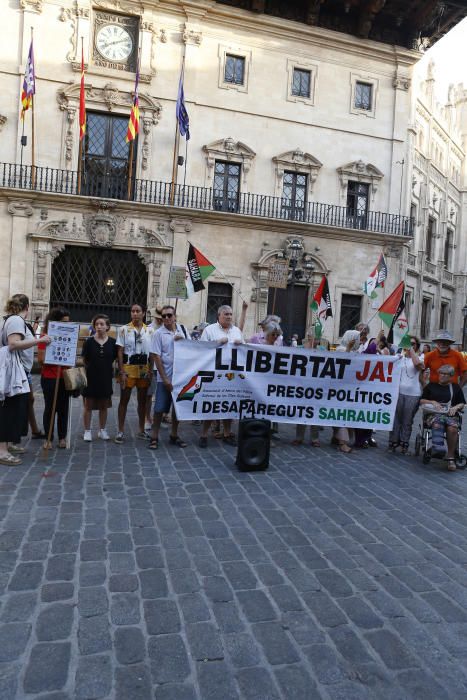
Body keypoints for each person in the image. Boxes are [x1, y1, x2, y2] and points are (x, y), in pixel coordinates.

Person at [0, 294, 51, 465]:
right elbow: (13, 344)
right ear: (27, 308)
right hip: (12, 372)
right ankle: (2, 451)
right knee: (9, 408)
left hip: (16, 371)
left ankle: (7, 444)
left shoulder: (12, 319)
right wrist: (40, 340)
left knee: (14, 408)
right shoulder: (15, 320)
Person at [198, 305, 244, 447]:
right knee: (211, 404)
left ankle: (227, 433)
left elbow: (245, 351)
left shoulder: (236, 331)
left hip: (231, 375)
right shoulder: (209, 330)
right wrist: (217, 343)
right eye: (226, 314)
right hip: (214, 374)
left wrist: (241, 344)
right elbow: (201, 349)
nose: (229, 316)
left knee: (228, 405)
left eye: (231, 314)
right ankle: (204, 435)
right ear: (219, 316)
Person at [148, 305, 189, 450]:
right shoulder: (158, 333)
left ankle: (174, 434)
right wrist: (165, 379)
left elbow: (192, 348)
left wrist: (182, 340)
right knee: (159, 408)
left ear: (175, 316)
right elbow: (156, 357)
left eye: (169, 315)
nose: (166, 318)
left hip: (181, 378)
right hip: (164, 377)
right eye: (164, 316)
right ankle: (154, 435)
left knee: (177, 408)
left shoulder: (183, 330)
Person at [115, 303, 152, 444]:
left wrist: (151, 370)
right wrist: (121, 371)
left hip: (144, 369)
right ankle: (120, 431)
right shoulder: (124, 329)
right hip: (128, 368)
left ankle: (141, 430)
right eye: (133, 311)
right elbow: (119, 351)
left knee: (142, 401)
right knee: (124, 400)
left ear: (143, 313)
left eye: (138, 311)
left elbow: (153, 353)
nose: (135, 313)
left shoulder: (150, 331)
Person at [420, 364, 465, 471]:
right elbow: (421, 400)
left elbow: (462, 403)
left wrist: (456, 407)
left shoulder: (455, 387)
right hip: (433, 415)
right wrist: (432, 401)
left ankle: (450, 458)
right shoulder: (431, 386)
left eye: (446, 374)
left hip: (450, 415)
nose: (443, 376)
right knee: (438, 422)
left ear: (451, 376)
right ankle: (438, 448)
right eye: (441, 373)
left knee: (453, 428)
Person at [38, 307, 71, 449]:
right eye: (64, 322)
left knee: (63, 408)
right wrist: (56, 358)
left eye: (68, 322)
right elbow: (40, 359)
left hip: (64, 377)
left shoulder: (69, 335)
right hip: (50, 377)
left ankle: (62, 437)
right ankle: (48, 438)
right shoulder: (45, 336)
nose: (67, 325)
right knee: (50, 408)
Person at [82, 314, 117, 441]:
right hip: (91, 377)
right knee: (88, 405)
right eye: (97, 324)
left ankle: (102, 430)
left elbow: (114, 358)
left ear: (107, 326)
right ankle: (87, 431)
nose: (99, 326)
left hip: (106, 377)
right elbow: (85, 359)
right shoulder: (89, 342)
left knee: (104, 405)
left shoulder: (113, 343)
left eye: (102, 324)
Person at [388, 338, 423, 454]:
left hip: (413, 394)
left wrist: (411, 351)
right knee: (395, 419)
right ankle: (393, 442)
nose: (409, 346)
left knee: (407, 420)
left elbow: (418, 365)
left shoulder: (422, 357)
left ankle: (404, 444)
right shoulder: (400, 357)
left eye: (412, 344)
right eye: (407, 344)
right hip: (398, 392)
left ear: (417, 346)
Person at [293, 331, 322, 447]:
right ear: (309, 336)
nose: (317, 339)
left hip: (316, 386)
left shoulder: (323, 350)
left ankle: (315, 438)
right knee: (301, 412)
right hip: (302, 385)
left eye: (319, 337)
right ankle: (299, 437)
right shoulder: (300, 348)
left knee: (314, 412)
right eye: (315, 336)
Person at [145, 308, 163, 435]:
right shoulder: (150, 329)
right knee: (149, 394)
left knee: (161, 395)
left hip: (164, 367)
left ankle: (158, 418)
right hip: (152, 366)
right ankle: (147, 418)